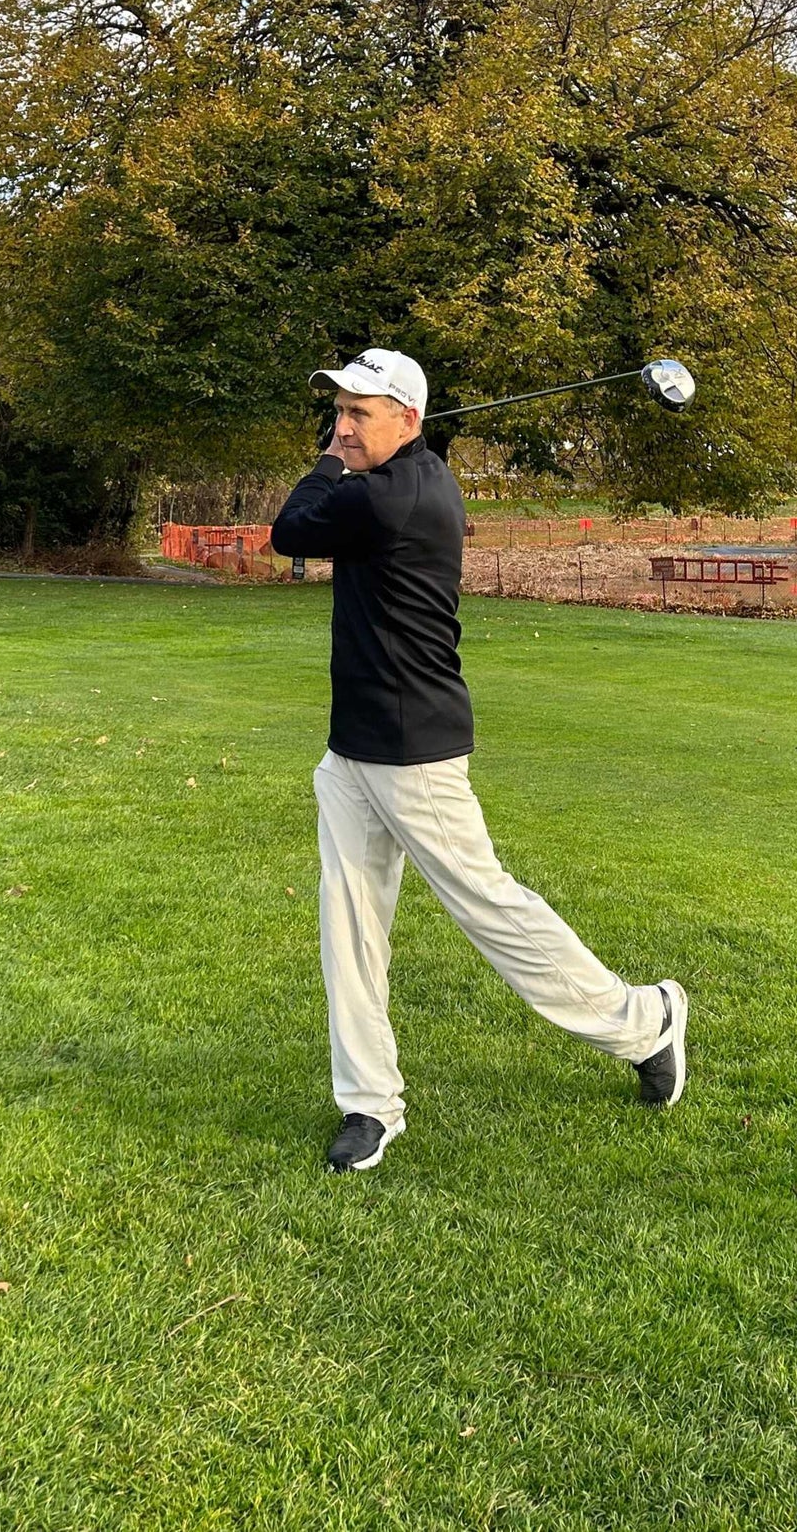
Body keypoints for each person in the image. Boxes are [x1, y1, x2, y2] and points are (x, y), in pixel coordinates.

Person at [271, 348, 689, 1173]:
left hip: (412, 747)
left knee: (490, 907)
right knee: (347, 923)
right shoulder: (397, 477)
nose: (341, 427)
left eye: (358, 413)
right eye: (339, 411)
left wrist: (328, 458)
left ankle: (645, 1021)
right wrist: (346, 450)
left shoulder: (396, 497)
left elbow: (288, 530)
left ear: (409, 421)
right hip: (352, 745)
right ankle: (369, 1103)